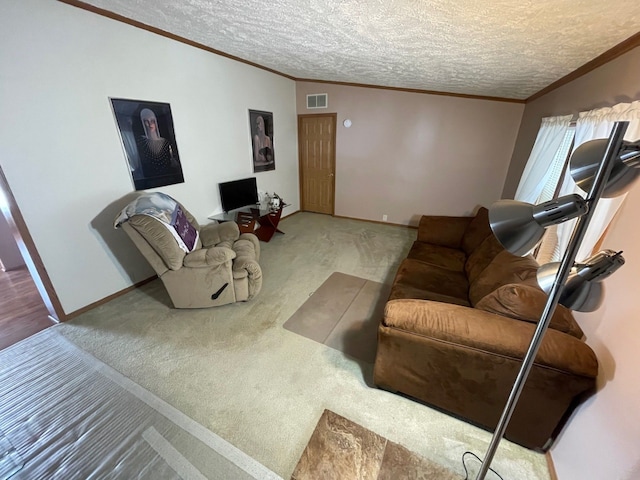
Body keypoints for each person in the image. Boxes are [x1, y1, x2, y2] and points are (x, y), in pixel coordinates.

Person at [137, 108, 178, 177]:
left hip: (168, 176)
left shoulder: (165, 142)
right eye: (147, 121)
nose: (150, 124)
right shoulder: (141, 142)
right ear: (143, 122)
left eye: (152, 121)